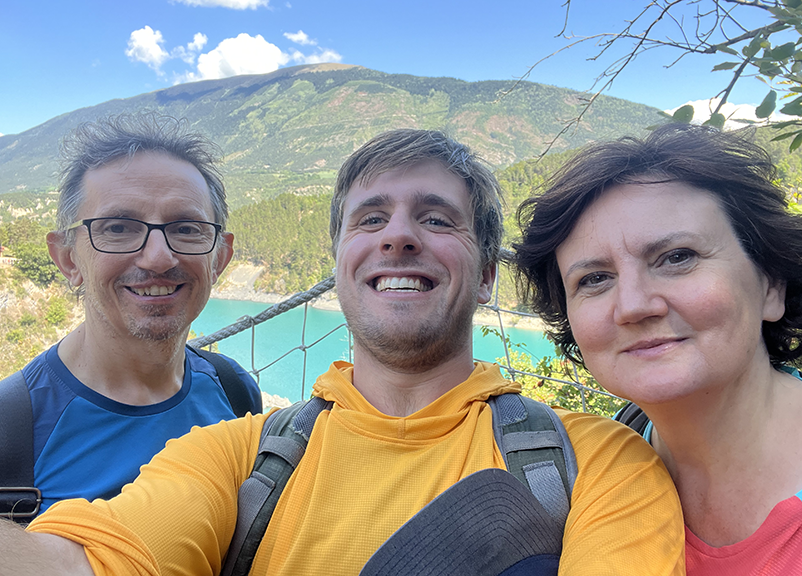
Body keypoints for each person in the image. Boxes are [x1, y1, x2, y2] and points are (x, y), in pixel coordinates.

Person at [1, 129, 684, 575]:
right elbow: (70, 564)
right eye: (371, 218)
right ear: (340, 261)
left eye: (437, 218)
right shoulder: (233, 454)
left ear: (484, 275)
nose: (399, 237)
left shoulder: (597, 462)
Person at [513, 124, 802, 574]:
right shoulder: (587, 477)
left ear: (771, 285)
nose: (633, 306)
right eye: (594, 279)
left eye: (677, 257)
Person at [0, 113, 261, 520]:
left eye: (187, 228)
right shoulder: (9, 430)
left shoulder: (236, 392)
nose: (158, 257)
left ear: (219, 257)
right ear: (68, 259)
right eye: (118, 228)